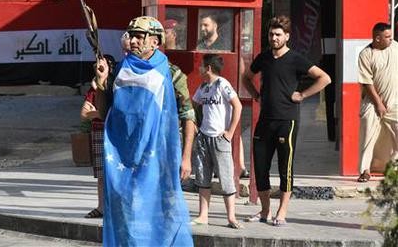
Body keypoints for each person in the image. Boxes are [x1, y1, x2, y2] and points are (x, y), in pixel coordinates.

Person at [94, 16, 195, 246]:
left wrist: (186, 157)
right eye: (131, 36)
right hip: (122, 159)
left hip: (160, 159)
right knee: (125, 215)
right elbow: (103, 112)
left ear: (155, 42)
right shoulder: (119, 70)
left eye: (139, 37)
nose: (133, 41)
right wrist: (101, 82)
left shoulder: (172, 74)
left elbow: (188, 115)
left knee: (163, 213)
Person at [242, 15, 330, 226]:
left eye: (278, 34)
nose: (274, 38)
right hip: (265, 120)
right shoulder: (263, 58)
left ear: (287, 36)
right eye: (271, 34)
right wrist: (255, 94)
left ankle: (282, 212)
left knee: (285, 168)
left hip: (287, 121)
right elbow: (246, 77)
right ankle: (264, 211)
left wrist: (302, 95)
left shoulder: (296, 59)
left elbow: (324, 78)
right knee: (260, 168)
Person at [190, 54, 243, 229]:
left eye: (201, 66)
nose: (199, 69)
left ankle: (231, 217)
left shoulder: (222, 84)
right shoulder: (204, 86)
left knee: (226, 178)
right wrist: (196, 126)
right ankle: (203, 215)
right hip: (204, 137)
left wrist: (230, 132)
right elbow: (194, 104)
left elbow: (238, 106)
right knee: (203, 176)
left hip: (220, 139)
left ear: (209, 68)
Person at [357, 22, 398, 183]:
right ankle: (365, 171)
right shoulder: (366, 54)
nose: (391, 39)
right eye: (387, 36)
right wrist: (379, 104)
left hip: (395, 103)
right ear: (377, 38)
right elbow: (367, 83)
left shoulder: (395, 47)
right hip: (373, 103)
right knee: (367, 135)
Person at [81, 55, 116, 219]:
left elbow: (112, 111)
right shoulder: (93, 90)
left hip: (114, 132)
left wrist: (98, 112)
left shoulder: (115, 88)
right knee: (101, 174)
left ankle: (116, 207)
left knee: (116, 172)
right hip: (98, 132)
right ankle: (101, 207)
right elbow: (84, 113)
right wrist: (101, 113)